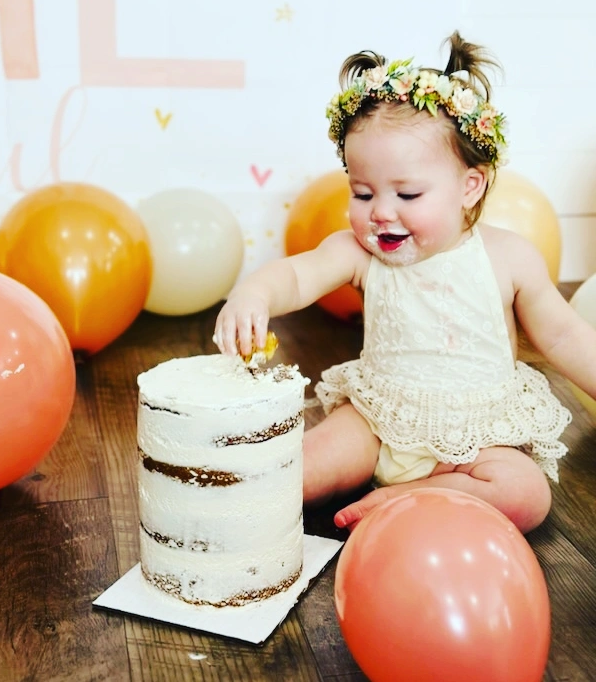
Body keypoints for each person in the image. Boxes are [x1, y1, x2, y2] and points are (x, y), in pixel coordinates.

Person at [214, 31, 596, 534]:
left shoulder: (509, 257)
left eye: (409, 194)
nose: (381, 214)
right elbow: (296, 274)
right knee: (295, 469)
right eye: (363, 192)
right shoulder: (357, 253)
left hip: (476, 436)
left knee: (527, 497)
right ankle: (222, 501)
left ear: (469, 186)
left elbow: (564, 336)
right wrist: (253, 293)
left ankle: (412, 495)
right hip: (375, 421)